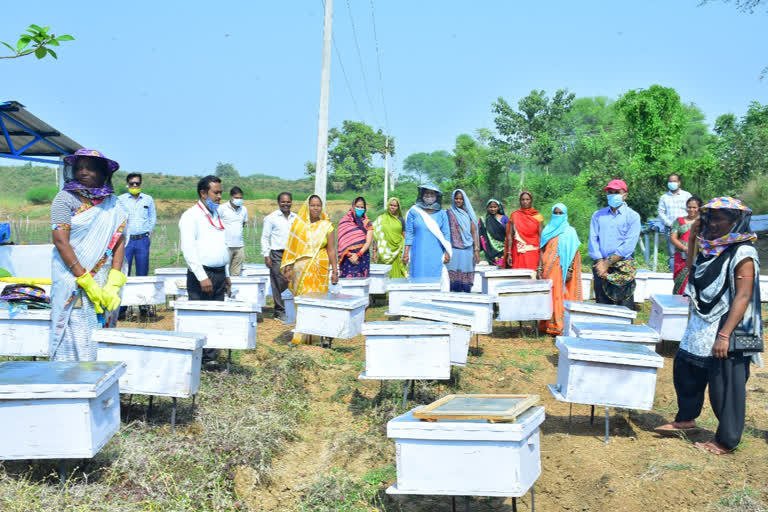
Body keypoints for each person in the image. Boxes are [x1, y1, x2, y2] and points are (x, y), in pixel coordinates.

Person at [655, 197, 762, 455]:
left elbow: (743, 296)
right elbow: (692, 268)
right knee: (686, 367)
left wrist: (724, 335)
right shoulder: (711, 247)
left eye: (718, 218)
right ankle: (687, 418)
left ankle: (726, 440)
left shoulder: (743, 251)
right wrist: (692, 235)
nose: (711, 224)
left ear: (735, 221)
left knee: (724, 382)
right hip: (704, 320)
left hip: (732, 327)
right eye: (709, 218)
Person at [50, 149, 129, 361]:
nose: (83, 172)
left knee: (101, 335)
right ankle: (68, 385)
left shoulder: (115, 204)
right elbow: (60, 240)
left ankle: (99, 383)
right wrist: (85, 279)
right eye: (79, 167)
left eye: (90, 167)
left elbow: (119, 241)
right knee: (73, 334)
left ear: (103, 173)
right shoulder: (64, 199)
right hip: (73, 280)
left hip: (104, 279)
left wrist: (114, 280)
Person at [179, 175, 231, 364]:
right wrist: (202, 276)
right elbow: (188, 249)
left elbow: (221, 246)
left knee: (215, 316)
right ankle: (196, 357)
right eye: (216, 192)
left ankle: (210, 357)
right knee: (200, 317)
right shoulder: (191, 216)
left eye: (220, 192)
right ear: (203, 193)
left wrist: (226, 275)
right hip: (202, 275)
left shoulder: (216, 215)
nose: (219, 196)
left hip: (218, 273)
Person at [281, 195, 339, 344]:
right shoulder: (299, 226)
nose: (316, 208)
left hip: (320, 269)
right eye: (313, 205)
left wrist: (335, 270)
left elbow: (332, 250)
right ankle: (301, 335)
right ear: (307, 206)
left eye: (318, 205)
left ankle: (318, 335)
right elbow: (291, 249)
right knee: (303, 302)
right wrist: (288, 268)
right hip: (301, 270)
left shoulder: (327, 226)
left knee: (319, 302)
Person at [588, 179, 642, 310]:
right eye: (610, 192)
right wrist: (600, 262)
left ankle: (625, 330)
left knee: (624, 305)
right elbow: (593, 239)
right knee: (602, 304)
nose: (612, 195)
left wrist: (607, 263)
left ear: (625, 195)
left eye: (617, 192)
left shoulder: (633, 216)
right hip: (600, 266)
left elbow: (628, 244)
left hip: (622, 266)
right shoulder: (598, 215)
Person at [538, 203, 582, 336]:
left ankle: (560, 325)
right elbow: (541, 250)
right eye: (555, 213)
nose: (557, 215)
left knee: (561, 294)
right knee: (549, 295)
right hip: (548, 269)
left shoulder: (570, 231)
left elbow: (574, 252)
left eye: (560, 213)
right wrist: (539, 268)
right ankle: (546, 324)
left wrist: (569, 269)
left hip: (562, 270)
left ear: (565, 215)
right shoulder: (547, 230)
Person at [118, 172, 157, 319]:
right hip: (126, 241)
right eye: (132, 184)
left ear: (141, 184)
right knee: (124, 273)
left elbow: (152, 217)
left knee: (142, 274)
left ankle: (144, 307)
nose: (135, 186)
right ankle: (122, 308)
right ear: (127, 185)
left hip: (142, 240)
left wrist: (148, 232)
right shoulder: (121, 200)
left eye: (137, 183)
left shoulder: (148, 199)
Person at [402, 184, 451, 284]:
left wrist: (447, 252)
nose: (429, 196)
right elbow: (409, 234)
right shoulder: (414, 212)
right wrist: (406, 253)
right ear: (422, 195)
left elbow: (446, 235)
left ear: (437, 196)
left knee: (435, 280)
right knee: (417, 279)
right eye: (427, 193)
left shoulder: (442, 214)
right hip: (418, 252)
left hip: (436, 253)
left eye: (432, 193)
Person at [261, 192, 297, 320]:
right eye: (283, 202)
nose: (285, 204)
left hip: (292, 253)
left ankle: (290, 308)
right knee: (278, 281)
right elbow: (265, 237)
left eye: (288, 202)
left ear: (291, 202)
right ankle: (279, 310)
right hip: (277, 253)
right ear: (278, 203)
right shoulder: (271, 218)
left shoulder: (296, 218)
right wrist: (266, 255)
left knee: (291, 280)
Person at [445, 189, 479, 292]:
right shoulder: (448, 213)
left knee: (466, 279)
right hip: (453, 250)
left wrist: (476, 250)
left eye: (460, 199)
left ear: (464, 200)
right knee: (452, 278)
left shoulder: (468, 214)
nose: (458, 201)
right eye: (456, 198)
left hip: (468, 250)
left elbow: (474, 232)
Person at [658, 173, 692, 271]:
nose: (672, 183)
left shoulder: (687, 195)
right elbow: (661, 213)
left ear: (679, 183)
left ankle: (687, 275)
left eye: (674, 181)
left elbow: (692, 209)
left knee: (688, 251)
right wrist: (671, 224)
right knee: (673, 254)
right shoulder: (664, 197)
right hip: (671, 229)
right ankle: (674, 276)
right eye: (670, 181)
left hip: (686, 228)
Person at [670, 196, 702, 295]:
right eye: (689, 207)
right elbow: (673, 238)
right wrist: (685, 248)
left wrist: (695, 250)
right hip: (681, 257)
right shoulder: (679, 221)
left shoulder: (703, 222)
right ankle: (677, 303)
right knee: (680, 280)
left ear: (699, 208)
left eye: (694, 207)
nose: (691, 210)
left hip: (698, 257)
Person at [505, 191, 544, 271]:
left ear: (531, 200)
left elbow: (541, 236)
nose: (525, 202)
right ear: (520, 201)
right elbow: (510, 235)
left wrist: (541, 254)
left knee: (532, 275)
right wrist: (509, 253)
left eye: (527, 199)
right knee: (518, 275)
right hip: (518, 251)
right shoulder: (514, 215)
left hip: (533, 251)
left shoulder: (538, 216)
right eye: (522, 199)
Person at [337, 197, 374, 278]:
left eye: (362, 207)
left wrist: (358, 255)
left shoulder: (367, 222)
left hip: (362, 257)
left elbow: (368, 242)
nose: (360, 209)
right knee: (347, 284)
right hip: (347, 258)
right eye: (357, 207)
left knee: (361, 284)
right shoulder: (344, 221)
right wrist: (349, 255)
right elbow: (341, 241)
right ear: (353, 207)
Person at [372, 197, 407, 278]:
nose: (392, 207)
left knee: (398, 277)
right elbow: (376, 236)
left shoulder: (401, 220)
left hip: (398, 252)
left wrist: (406, 253)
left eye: (395, 206)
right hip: (384, 253)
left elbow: (404, 236)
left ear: (398, 207)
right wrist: (374, 252)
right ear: (388, 205)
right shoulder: (381, 219)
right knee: (383, 277)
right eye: (391, 205)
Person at [220, 186, 249, 277]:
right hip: (225, 246)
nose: (239, 200)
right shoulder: (222, 208)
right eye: (236, 198)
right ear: (231, 197)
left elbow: (243, 224)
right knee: (223, 272)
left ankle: (233, 290)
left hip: (239, 246)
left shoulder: (243, 209)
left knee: (236, 273)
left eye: (240, 198)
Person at [478, 199, 508, 267]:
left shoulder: (504, 218)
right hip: (491, 251)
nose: (493, 209)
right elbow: (481, 235)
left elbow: (509, 233)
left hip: (503, 248)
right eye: (490, 207)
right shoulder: (484, 220)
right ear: (487, 208)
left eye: (495, 207)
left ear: (498, 207)